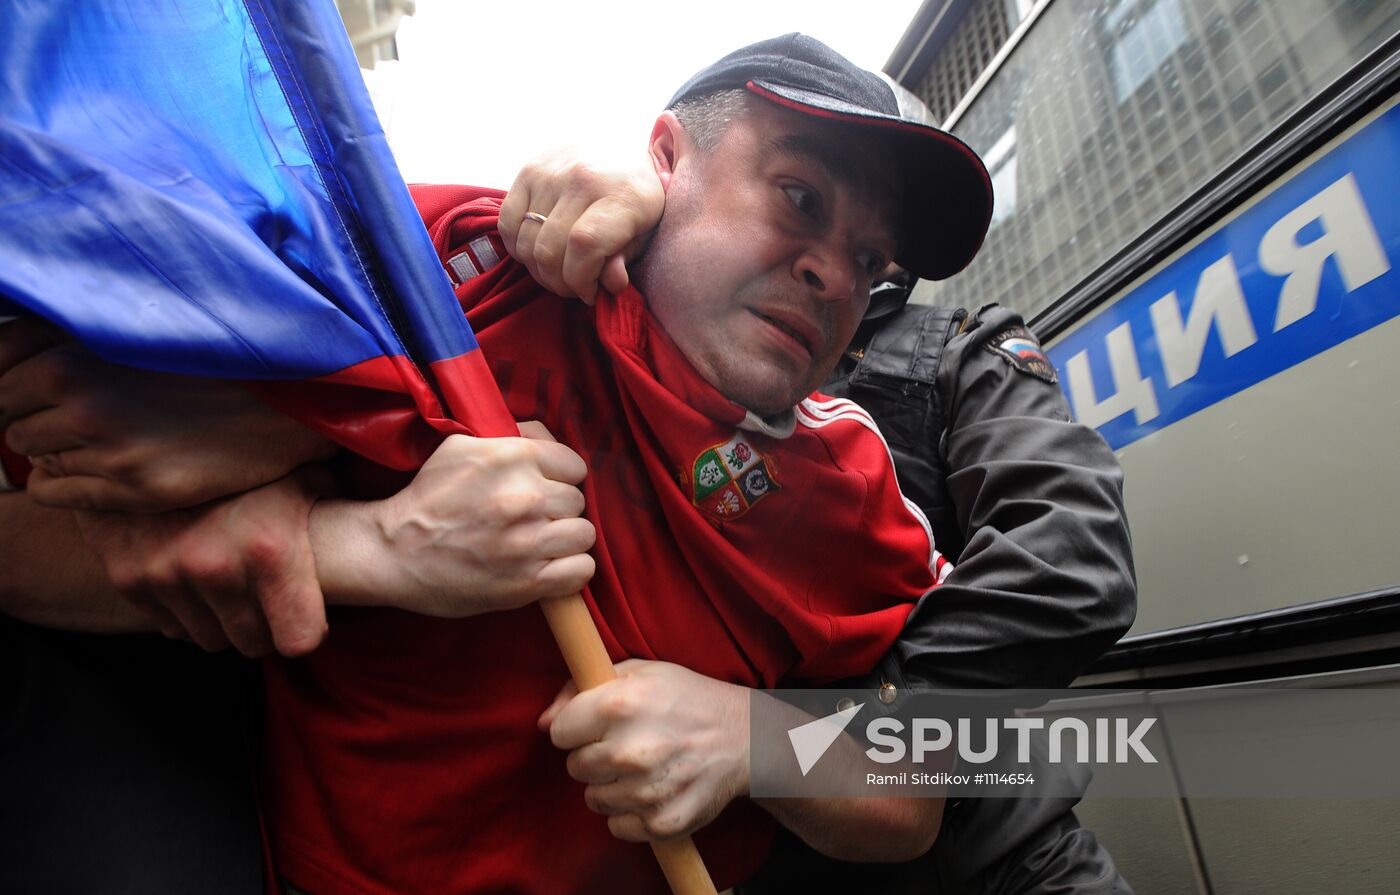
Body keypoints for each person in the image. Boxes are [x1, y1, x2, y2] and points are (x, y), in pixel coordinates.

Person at [1, 34, 997, 894]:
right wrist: (351, 542)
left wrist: (752, 739)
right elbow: (30, 531)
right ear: (664, 159)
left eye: (871, 264)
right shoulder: (442, 278)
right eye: (798, 197)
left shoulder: (849, 481)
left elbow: (941, 775)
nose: (833, 275)